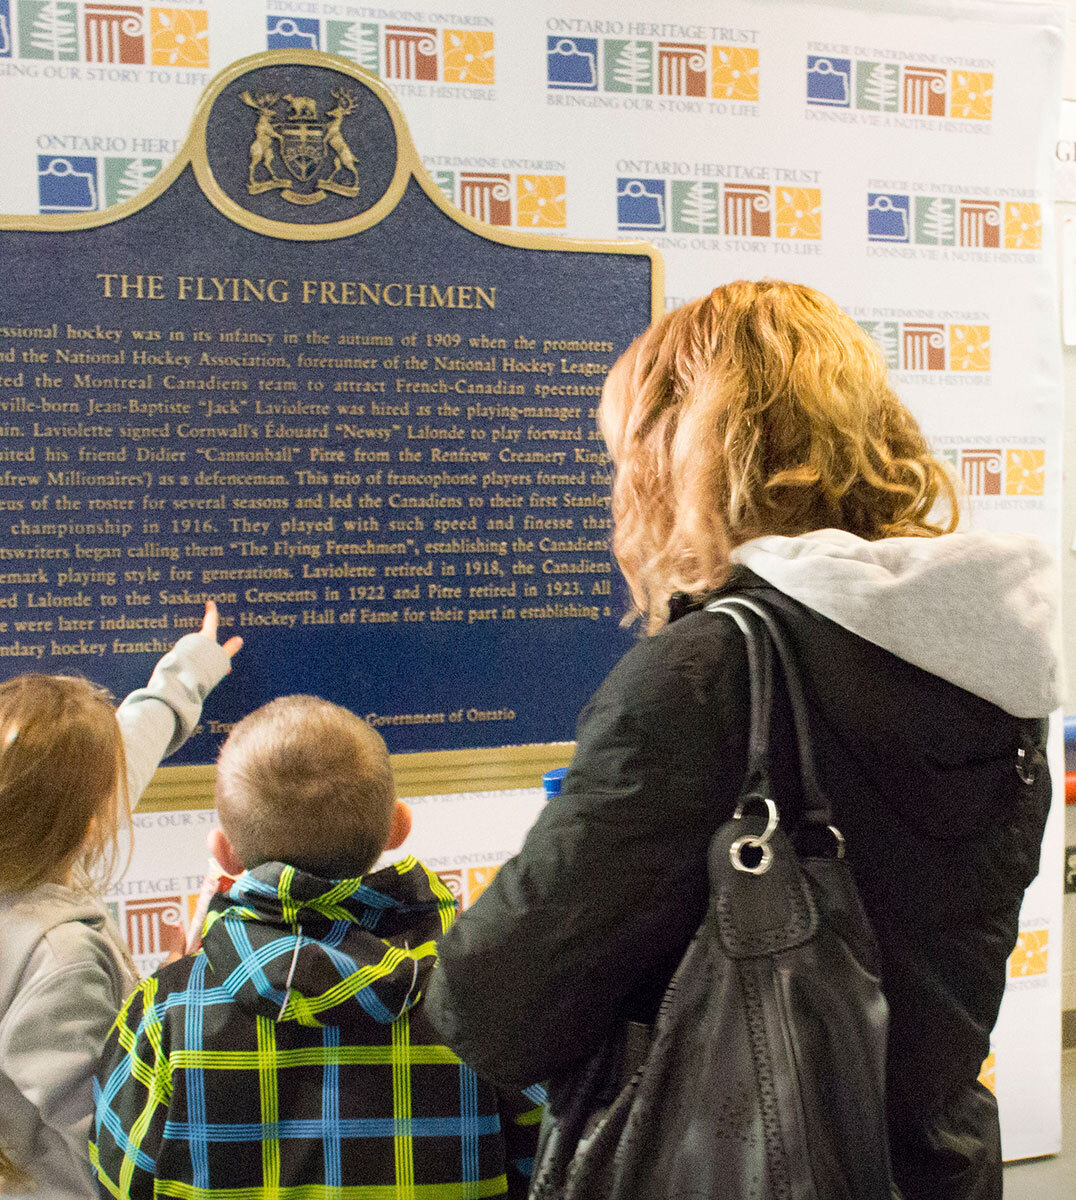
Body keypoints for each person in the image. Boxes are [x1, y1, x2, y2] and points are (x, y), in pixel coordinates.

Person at [422, 280, 1058, 1200]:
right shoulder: (991, 660)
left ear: (678, 456)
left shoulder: (708, 672)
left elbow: (494, 1011)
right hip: (936, 1163)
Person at [88, 695, 545, 1198]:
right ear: (399, 826)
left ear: (225, 852)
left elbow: (119, 1180)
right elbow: (544, 1164)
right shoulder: (489, 1000)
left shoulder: (166, 1012)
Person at [0, 603, 242, 1198]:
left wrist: (186, 676)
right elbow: (114, 1145)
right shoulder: (63, 960)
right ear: (87, 826)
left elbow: (114, 766)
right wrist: (168, 1003)